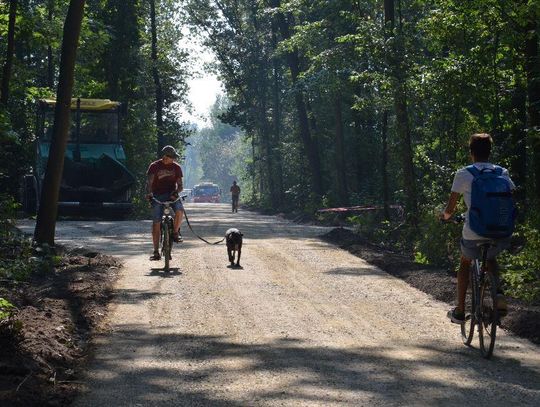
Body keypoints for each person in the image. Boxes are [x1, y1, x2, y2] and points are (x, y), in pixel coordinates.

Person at [441, 133, 515, 323]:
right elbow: (511, 195)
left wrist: (445, 218)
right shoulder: (502, 172)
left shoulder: (464, 173)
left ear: (471, 152)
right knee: (491, 257)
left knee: (465, 261)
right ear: (490, 152)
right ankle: (497, 292)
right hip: (501, 230)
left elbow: (450, 209)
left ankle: (459, 310)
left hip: (474, 231)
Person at [146, 145, 184, 260]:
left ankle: (176, 232)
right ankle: (156, 251)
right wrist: (149, 194)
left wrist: (176, 192)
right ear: (165, 157)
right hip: (157, 195)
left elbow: (180, 185)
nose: (173, 159)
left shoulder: (176, 167)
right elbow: (149, 182)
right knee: (156, 223)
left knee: (180, 210)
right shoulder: (154, 166)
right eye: (171, 157)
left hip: (172, 194)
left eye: (173, 157)